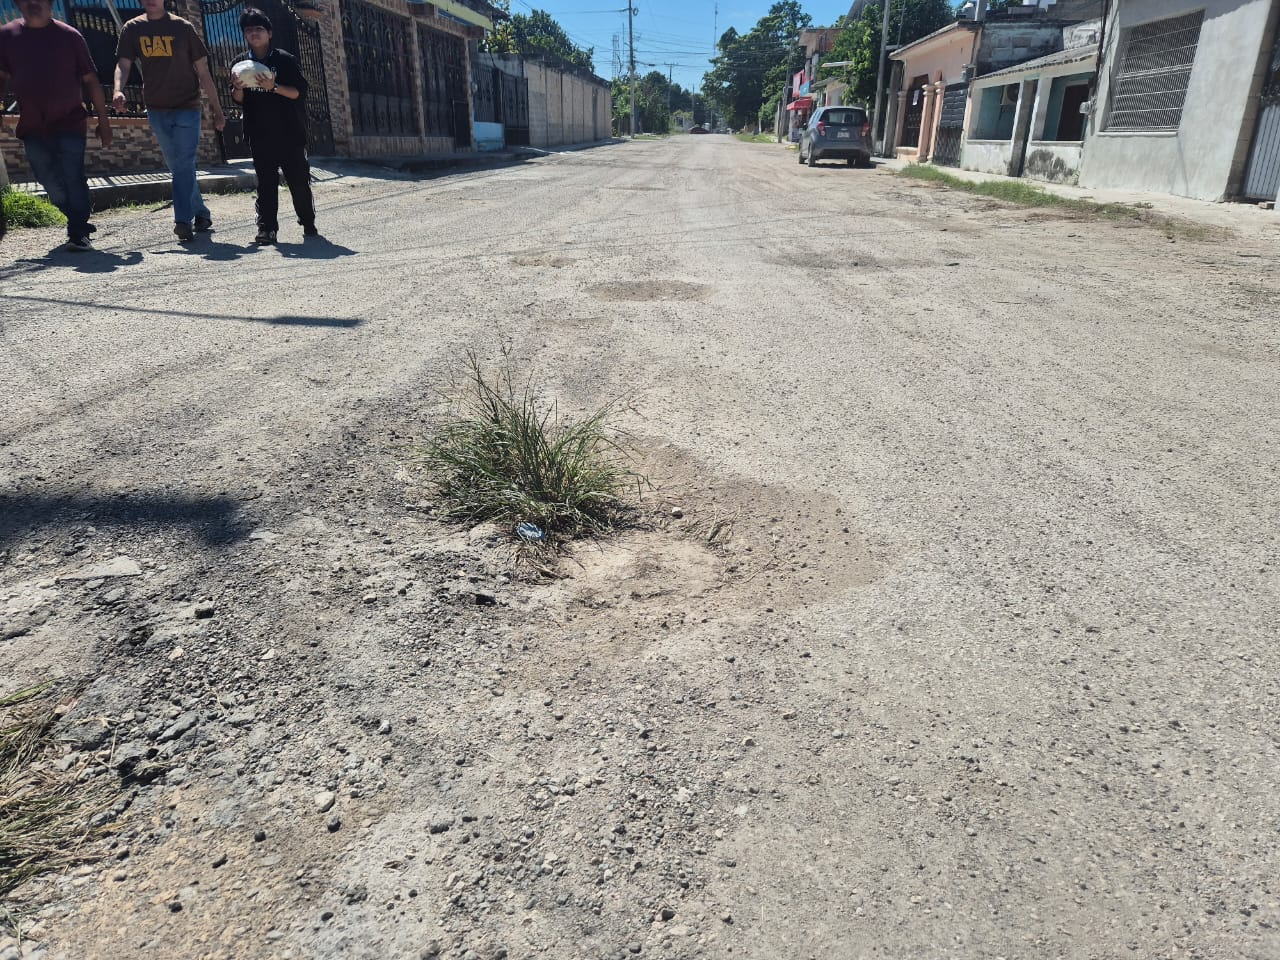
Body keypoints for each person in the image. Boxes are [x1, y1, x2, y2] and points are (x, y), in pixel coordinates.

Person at [0, 0, 111, 251]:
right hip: (32, 126)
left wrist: (104, 122)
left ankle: (78, 231)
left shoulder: (69, 37)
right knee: (46, 178)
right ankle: (77, 217)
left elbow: (91, 80)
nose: (33, 4)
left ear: (50, 3)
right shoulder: (7, 37)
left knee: (72, 176)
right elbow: (2, 76)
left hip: (70, 122)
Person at [113, 0, 224, 242]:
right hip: (156, 108)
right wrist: (117, 90)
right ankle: (201, 213)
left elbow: (203, 72)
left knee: (183, 163)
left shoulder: (183, 28)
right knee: (178, 167)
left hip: (187, 106)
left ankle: (182, 220)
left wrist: (217, 109)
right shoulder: (132, 28)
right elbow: (123, 63)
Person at [229, 8, 316, 245]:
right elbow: (238, 99)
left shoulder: (284, 61)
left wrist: (273, 87)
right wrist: (237, 88)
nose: (254, 34)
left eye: (259, 29)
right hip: (259, 134)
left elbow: (299, 92)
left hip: (290, 133)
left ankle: (308, 222)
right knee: (266, 184)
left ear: (269, 33)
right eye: (249, 30)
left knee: (298, 181)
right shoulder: (240, 63)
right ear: (245, 35)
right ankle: (267, 229)